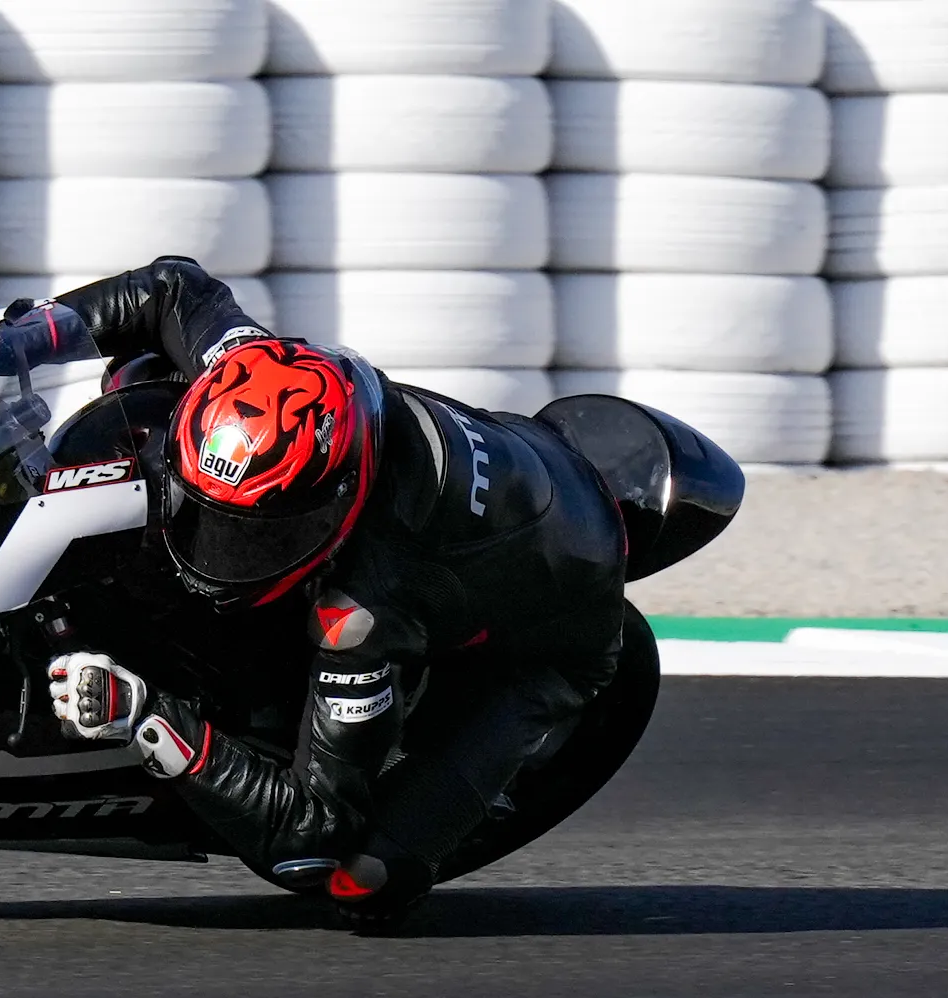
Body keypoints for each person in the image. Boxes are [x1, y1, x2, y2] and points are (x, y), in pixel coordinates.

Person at [41, 257, 630, 928]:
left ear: (335, 506)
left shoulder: (364, 610)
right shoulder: (260, 370)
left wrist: (146, 716)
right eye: (208, 522)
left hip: (563, 621)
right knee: (142, 380)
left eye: (255, 539)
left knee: (359, 881)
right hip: (519, 464)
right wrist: (15, 342)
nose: (216, 557)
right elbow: (173, 287)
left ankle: (470, 776)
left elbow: (312, 828)